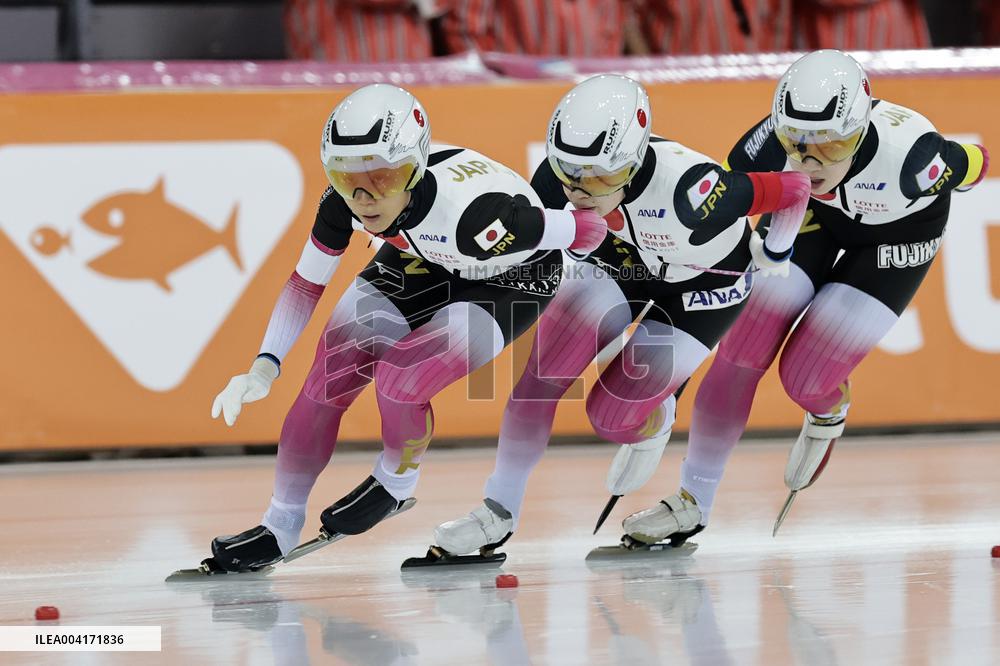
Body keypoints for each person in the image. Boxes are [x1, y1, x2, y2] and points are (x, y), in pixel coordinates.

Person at [201, 83, 607, 573]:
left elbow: (587, 231)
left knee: (402, 380)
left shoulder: (475, 216)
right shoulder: (345, 202)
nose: (364, 198)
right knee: (326, 378)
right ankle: (279, 524)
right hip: (423, 254)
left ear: (413, 169)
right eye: (346, 177)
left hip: (509, 275)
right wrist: (264, 365)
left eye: (382, 176)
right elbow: (306, 282)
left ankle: (396, 483)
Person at [429, 74, 812, 558]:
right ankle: (497, 511)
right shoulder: (555, 178)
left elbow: (795, 187)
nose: (581, 194)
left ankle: (658, 413)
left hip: (704, 285)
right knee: (539, 376)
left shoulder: (692, 190)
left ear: (631, 164)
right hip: (618, 267)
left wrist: (776, 253)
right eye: (570, 175)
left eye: (601, 179)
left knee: (610, 418)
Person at [624, 49, 989, 544]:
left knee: (805, 378)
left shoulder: (917, 159)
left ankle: (827, 408)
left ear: (859, 134)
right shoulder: (769, 144)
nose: (811, 159)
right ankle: (693, 501)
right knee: (741, 345)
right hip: (810, 215)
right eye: (797, 143)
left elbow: (979, 162)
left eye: (830, 146)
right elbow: (725, 208)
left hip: (897, 234)